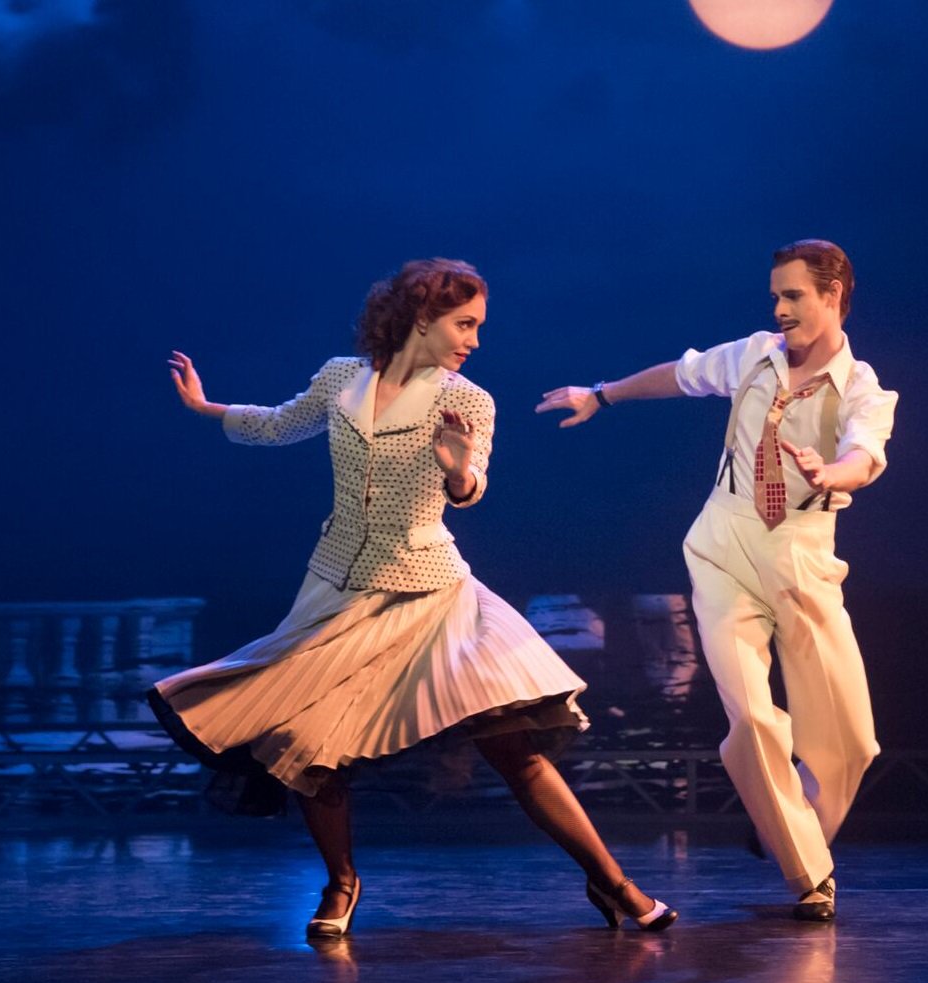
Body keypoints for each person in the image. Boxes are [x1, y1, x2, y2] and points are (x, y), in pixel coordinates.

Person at [152, 258, 677, 938]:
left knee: (512, 748)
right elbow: (282, 423)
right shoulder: (341, 377)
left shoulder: (468, 401)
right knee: (304, 742)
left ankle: (613, 881)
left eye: (478, 327)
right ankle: (341, 883)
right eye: (465, 324)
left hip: (429, 595)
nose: (475, 340)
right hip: (336, 589)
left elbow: (471, 485)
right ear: (421, 318)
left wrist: (458, 471)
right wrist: (207, 409)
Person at [536, 239, 896, 921]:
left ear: (834, 295)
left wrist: (829, 474)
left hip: (803, 556)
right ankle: (808, 875)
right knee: (753, 718)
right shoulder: (755, 355)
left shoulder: (862, 389)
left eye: (793, 295)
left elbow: (863, 453)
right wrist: (602, 396)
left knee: (852, 740)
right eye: (776, 296)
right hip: (724, 546)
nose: (779, 308)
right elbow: (682, 375)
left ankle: (788, 825)